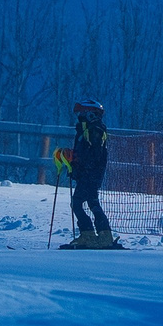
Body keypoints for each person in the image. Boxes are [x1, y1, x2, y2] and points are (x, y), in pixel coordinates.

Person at [64, 99, 112, 245]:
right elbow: (83, 152)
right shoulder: (84, 130)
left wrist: (83, 168)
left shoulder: (94, 129)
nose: (80, 116)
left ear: (91, 113)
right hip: (87, 174)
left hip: (91, 175)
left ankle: (91, 234)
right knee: (91, 202)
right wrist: (72, 163)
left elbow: (94, 154)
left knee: (78, 202)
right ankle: (101, 234)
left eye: (83, 113)